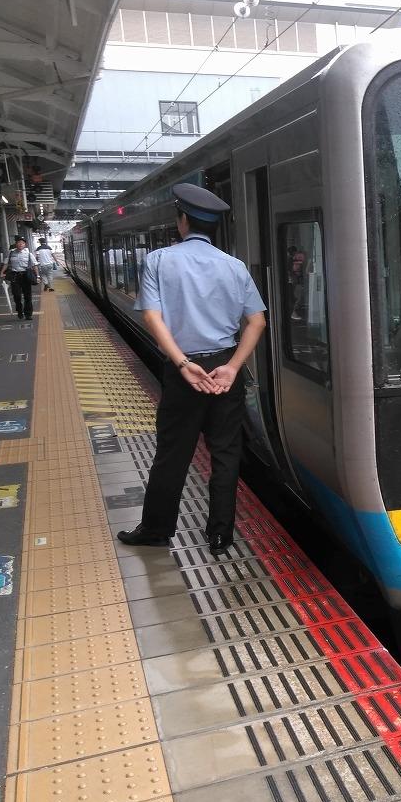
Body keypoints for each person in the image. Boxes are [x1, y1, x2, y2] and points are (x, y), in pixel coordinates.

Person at [117, 183, 267, 557]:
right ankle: (220, 535)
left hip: (184, 370)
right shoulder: (235, 267)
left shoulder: (158, 260)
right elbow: (257, 322)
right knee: (226, 453)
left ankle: (156, 529)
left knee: (173, 453)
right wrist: (232, 367)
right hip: (224, 370)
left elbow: (152, 317)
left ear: (182, 220)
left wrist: (183, 363)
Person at [2, 236, 35, 321]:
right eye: (19, 242)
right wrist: (2, 272)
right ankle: (19, 310)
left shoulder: (28, 253)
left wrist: (38, 276)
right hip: (15, 276)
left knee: (28, 296)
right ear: (16, 244)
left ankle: (28, 314)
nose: (20, 244)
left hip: (25, 275)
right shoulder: (11, 253)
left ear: (25, 244)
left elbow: (35, 265)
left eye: (22, 243)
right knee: (16, 295)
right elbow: (6, 263)